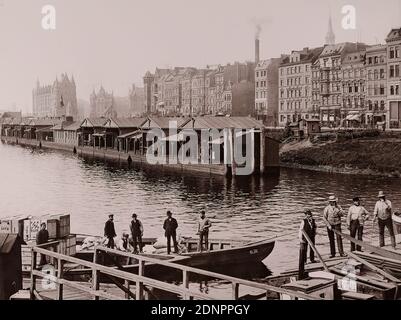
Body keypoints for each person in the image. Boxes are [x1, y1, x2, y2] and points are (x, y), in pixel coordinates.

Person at [298, 210, 317, 280]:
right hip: (305, 236)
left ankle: (312, 259)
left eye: (309, 215)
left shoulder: (313, 220)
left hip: (311, 236)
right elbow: (300, 229)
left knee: (312, 247)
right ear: (306, 215)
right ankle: (305, 261)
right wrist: (300, 238)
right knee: (304, 249)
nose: (308, 216)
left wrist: (315, 232)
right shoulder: (303, 221)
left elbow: (315, 227)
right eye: (307, 215)